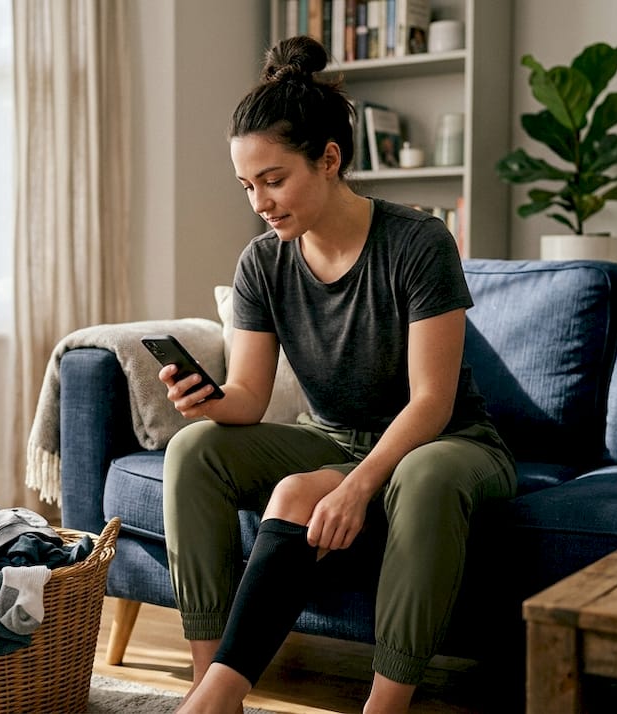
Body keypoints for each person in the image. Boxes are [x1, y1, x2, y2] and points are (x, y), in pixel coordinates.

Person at [158, 35, 517, 714]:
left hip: (448, 442)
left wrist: (357, 487)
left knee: (428, 474)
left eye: (274, 179)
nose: (259, 201)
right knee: (192, 451)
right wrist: (205, 402)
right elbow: (250, 397)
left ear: (329, 159)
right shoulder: (262, 264)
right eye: (247, 185)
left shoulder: (418, 243)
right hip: (332, 437)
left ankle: (383, 707)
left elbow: (432, 403)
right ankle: (212, 696)